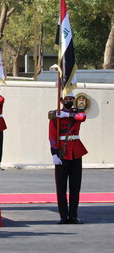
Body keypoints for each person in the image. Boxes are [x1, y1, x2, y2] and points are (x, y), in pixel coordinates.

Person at [48, 91, 87, 224]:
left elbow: (82, 117)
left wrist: (67, 114)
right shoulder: (55, 116)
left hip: (76, 152)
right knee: (61, 187)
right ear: (62, 100)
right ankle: (63, 216)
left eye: (71, 98)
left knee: (75, 187)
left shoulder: (77, 113)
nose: (69, 101)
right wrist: (53, 153)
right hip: (62, 153)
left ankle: (74, 216)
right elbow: (52, 137)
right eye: (67, 99)